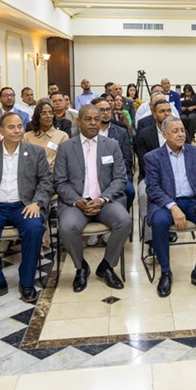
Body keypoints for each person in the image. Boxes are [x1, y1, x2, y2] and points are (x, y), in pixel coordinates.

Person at [0, 112, 52, 307]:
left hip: (24, 205)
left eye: (20, 126)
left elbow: (46, 181)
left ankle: (27, 282)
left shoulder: (36, 152)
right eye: (11, 127)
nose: (17, 131)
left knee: (34, 228)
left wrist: (37, 202)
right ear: (1, 129)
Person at [54, 104, 132, 292]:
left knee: (124, 221)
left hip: (105, 201)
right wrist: (77, 201)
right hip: (76, 203)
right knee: (67, 227)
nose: (93, 123)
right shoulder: (66, 147)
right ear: (79, 121)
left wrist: (103, 199)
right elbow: (60, 182)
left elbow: (120, 178)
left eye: (96, 119)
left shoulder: (111, 145)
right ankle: (81, 267)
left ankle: (107, 266)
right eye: (88, 119)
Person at [145, 116, 196, 298]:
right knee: (159, 222)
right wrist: (172, 206)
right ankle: (165, 272)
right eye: (175, 131)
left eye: (182, 130)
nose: (180, 134)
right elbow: (153, 188)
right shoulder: (153, 157)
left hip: (192, 201)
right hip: (166, 203)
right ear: (165, 135)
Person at [135, 99, 174, 245]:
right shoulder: (145, 134)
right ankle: (151, 239)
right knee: (144, 195)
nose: (166, 114)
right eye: (162, 111)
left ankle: (170, 227)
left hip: (176, 177)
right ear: (154, 114)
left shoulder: (179, 131)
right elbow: (143, 163)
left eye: (168, 111)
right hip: (149, 177)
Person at [95, 98, 135, 210]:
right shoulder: (90, 132)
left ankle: (123, 212)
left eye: (108, 109)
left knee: (129, 191)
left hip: (117, 174)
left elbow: (127, 159)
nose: (106, 113)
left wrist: (114, 174)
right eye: (102, 110)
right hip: (94, 175)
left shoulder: (121, 132)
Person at [23, 99, 69, 173]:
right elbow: (24, 159)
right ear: (37, 116)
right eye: (43, 113)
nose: (48, 116)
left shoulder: (62, 136)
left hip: (54, 175)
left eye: (51, 113)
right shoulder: (26, 137)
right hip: (32, 174)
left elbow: (65, 160)